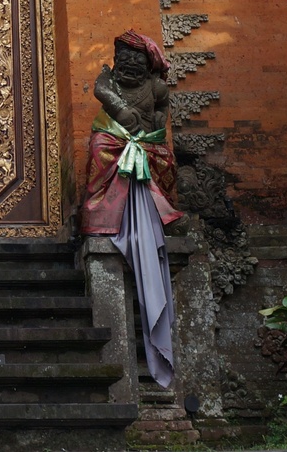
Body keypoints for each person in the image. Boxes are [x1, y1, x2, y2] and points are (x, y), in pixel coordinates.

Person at [80, 30, 183, 388]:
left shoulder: (155, 88)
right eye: (123, 59)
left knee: (165, 160)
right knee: (99, 149)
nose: (128, 65)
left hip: (145, 140)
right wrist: (121, 110)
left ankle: (156, 208)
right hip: (113, 133)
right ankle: (101, 213)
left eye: (135, 61)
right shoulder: (109, 77)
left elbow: (163, 110)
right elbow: (100, 90)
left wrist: (156, 124)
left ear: (147, 65)